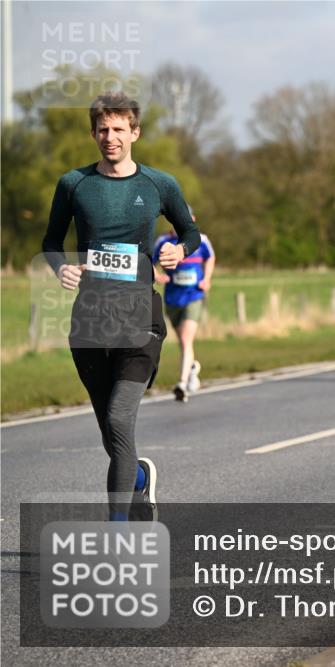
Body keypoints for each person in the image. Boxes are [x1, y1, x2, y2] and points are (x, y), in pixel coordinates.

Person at [42, 92, 200, 521]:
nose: (109, 137)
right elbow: (51, 243)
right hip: (90, 322)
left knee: (118, 418)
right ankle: (139, 481)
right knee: (113, 435)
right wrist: (61, 269)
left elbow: (190, 233)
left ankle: (117, 531)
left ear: (134, 132)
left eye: (118, 129)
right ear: (93, 132)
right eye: (102, 129)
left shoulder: (159, 184)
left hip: (140, 320)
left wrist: (177, 252)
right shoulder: (74, 184)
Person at [153, 206, 214, 402]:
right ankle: (192, 368)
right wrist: (158, 276)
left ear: (193, 219)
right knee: (182, 341)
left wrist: (207, 278)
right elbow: (149, 261)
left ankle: (181, 383)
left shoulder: (201, 240)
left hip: (194, 295)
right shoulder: (163, 241)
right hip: (173, 297)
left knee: (187, 340)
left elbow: (210, 257)